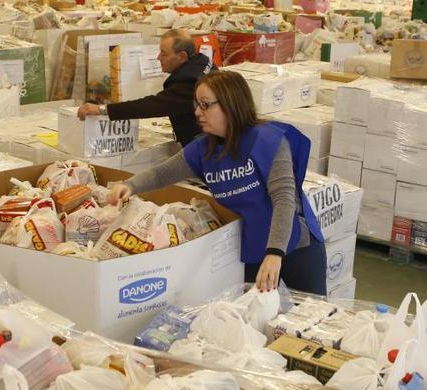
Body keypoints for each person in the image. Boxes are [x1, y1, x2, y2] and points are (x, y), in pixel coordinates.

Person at [107, 71, 328, 295]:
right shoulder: (204, 149)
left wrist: (275, 253)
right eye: (196, 104)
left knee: (314, 319)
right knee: (253, 319)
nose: (197, 112)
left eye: (205, 105)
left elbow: (283, 199)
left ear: (231, 104)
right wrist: (130, 185)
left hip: (295, 244)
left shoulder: (268, 140)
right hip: (254, 243)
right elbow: (162, 173)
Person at [76, 29, 214, 147]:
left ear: (182, 56)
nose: (159, 57)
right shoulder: (203, 62)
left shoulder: (189, 83)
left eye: (164, 53)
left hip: (209, 149)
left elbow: (151, 105)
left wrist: (101, 109)